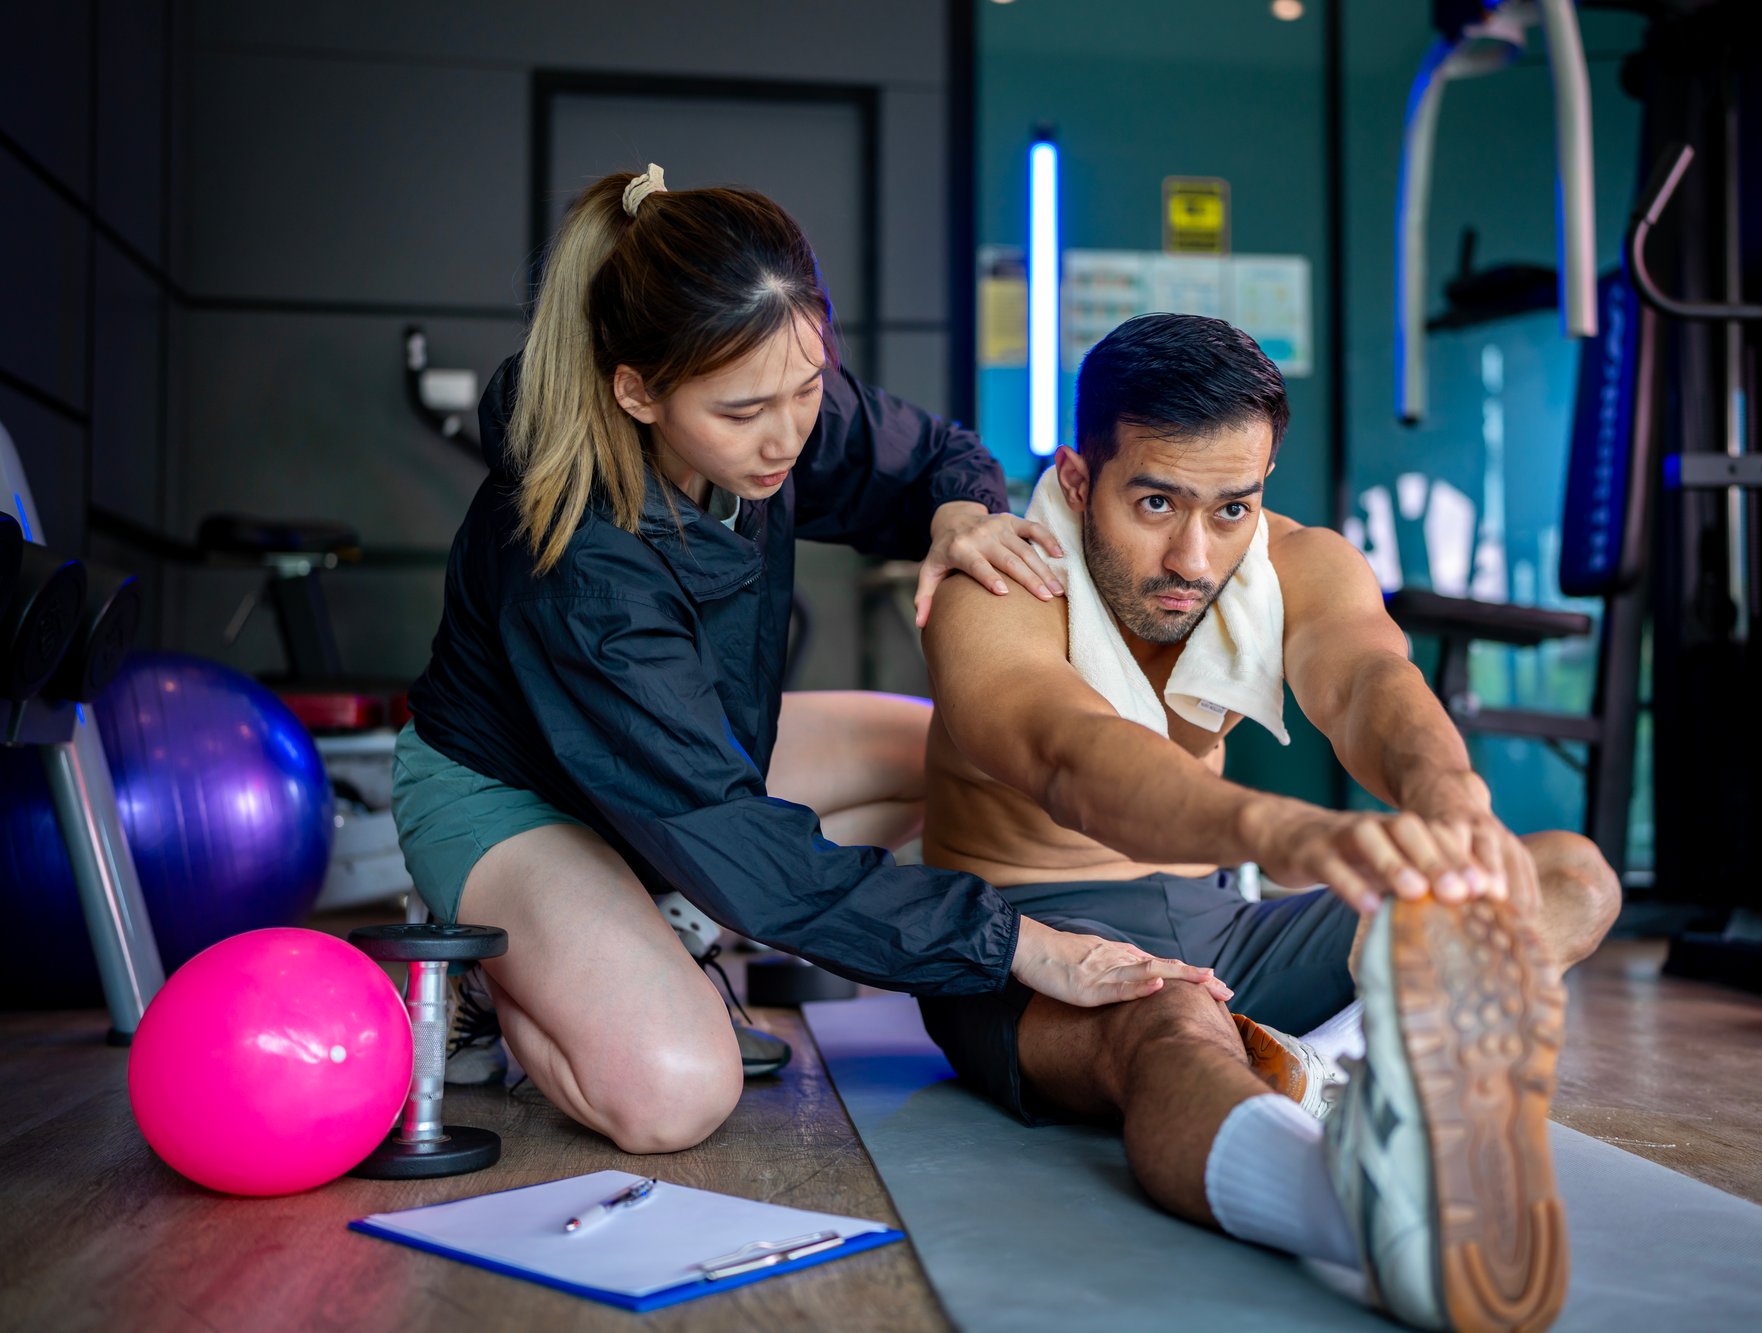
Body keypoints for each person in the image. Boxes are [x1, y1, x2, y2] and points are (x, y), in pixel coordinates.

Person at [393, 168, 1229, 1157]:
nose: (786, 433)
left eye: (805, 387)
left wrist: (959, 511)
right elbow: (739, 840)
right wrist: (1025, 948)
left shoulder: (767, 400)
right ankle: (499, 975)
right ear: (636, 390)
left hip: (679, 768)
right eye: (744, 413)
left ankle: (648, 921)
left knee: (957, 755)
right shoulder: (581, 561)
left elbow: (930, 453)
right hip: (515, 794)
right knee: (674, 1092)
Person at [917, 313, 1622, 1332]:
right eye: (1153, 501)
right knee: (1168, 1025)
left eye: (1230, 507)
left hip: (1222, 923)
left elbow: (1368, 681)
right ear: (1077, 481)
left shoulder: (1293, 559)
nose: (1191, 557)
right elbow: (1074, 758)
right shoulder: (999, 585)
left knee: (1564, 876)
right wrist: (1289, 834)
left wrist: (1451, 808)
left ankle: (1325, 1066)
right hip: (1029, 947)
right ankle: (1357, 1206)